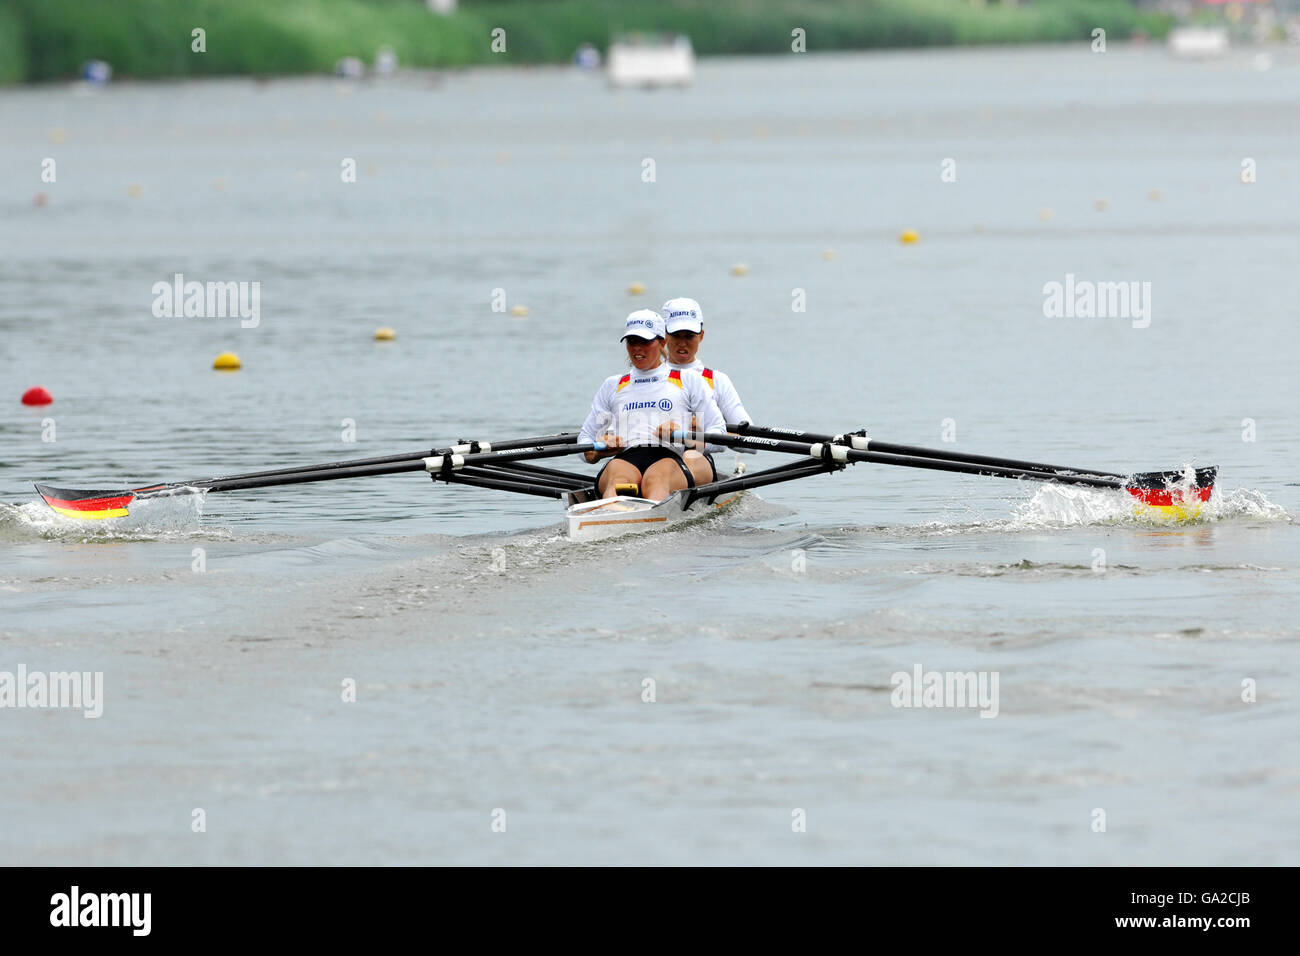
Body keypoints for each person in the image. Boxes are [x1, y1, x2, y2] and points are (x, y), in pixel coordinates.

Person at [579, 309, 727, 501]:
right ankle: (609, 519)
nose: (637, 348)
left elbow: (719, 434)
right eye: (632, 342)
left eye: (645, 341)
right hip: (627, 457)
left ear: (662, 342)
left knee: (656, 479)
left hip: (668, 458)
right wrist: (598, 450)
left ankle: (650, 521)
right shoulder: (613, 385)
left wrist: (683, 436)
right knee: (617, 476)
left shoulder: (687, 379)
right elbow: (585, 440)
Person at [660, 296, 752, 476]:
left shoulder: (716, 380)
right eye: (675, 335)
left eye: (689, 336)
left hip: (695, 459)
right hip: (650, 457)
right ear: (663, 336)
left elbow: (750, 444)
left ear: (701, 335)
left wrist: (705, 433)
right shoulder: (645, 379)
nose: (682, 343)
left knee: (690, 457)